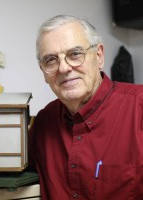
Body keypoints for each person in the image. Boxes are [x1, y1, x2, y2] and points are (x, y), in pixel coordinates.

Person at [28, 15, 143, 200]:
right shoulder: (43, 123)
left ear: (99, 56)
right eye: (51, 60)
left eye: (75, 54)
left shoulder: (139, 107)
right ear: (43, 71)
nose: (64, 68)